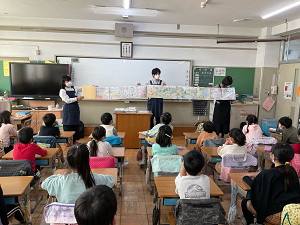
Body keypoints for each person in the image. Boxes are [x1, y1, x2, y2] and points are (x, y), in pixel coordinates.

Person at [241, 143, 300, 225]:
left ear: (273, 156)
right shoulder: (291, 171)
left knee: (245, 202)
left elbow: (254, 186)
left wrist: (245, 177)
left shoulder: (267, 174)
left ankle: (253, 223)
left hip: (275, 215)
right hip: (292, 213)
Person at [41, 144, 115, 204]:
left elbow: (44, 184)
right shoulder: (94, 178)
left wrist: (60, 176)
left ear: (68, 162)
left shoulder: (60, 180)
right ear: (87, 161)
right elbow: (111, 180)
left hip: (66, 220)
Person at [59, 75, 84, 146]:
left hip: (75, 109)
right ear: (64, 82)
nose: (69, 82)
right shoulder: (62, 91)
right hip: (68, 110)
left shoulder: (74, 88)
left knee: (76, 125)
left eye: (70, 81)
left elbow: (83, 88)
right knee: (67, 125)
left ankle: (74, 140)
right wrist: (77, 98)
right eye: (67, 81)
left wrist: (92, 87)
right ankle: (66, 141)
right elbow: (67, 100)